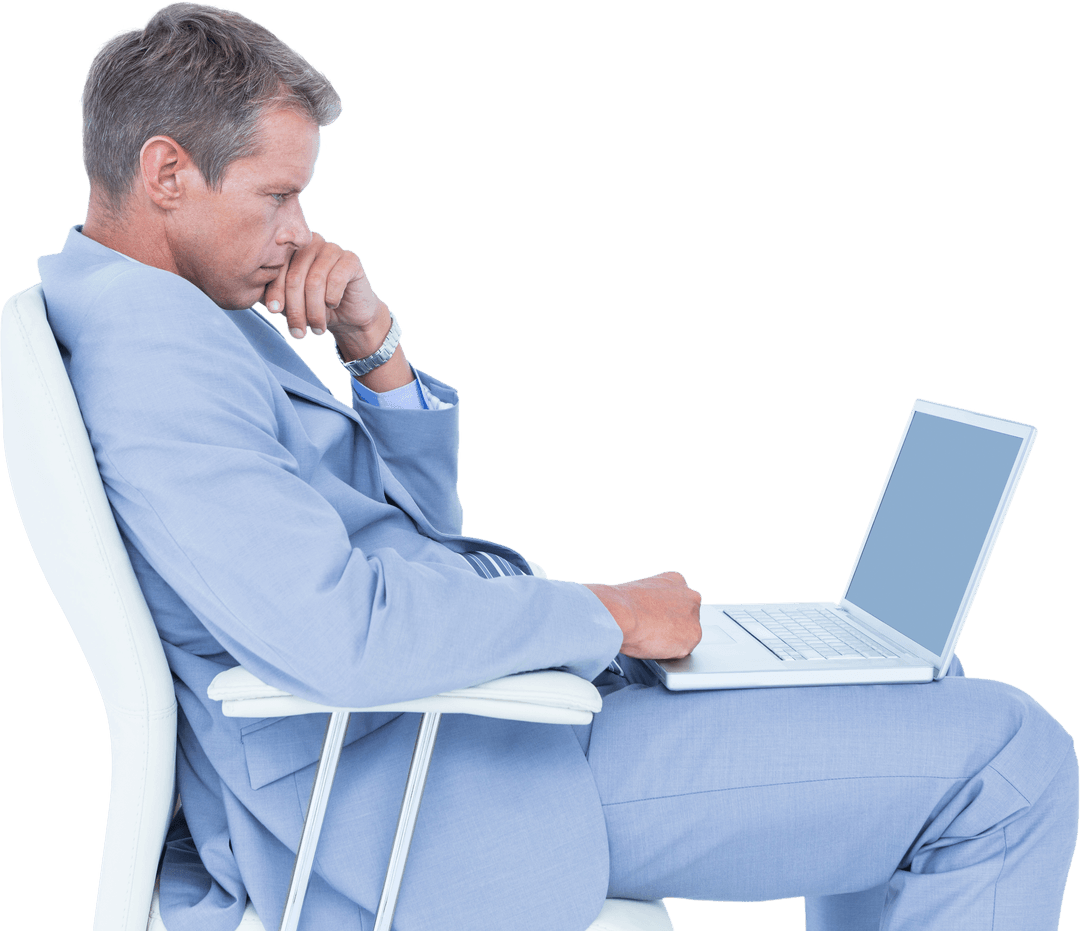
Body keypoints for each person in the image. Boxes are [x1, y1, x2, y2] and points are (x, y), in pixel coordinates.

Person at [35, 4, 1077, 929]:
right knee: (1008, 759)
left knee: (918, 696)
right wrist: (609, 615)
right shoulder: (160, 366)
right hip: (439, 787)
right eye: (277, 196)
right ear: (168, 172)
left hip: (474, 721)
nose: (301, 233)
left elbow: (419, 533)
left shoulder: (180, 313)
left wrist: (374, 347)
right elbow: (339, 633)